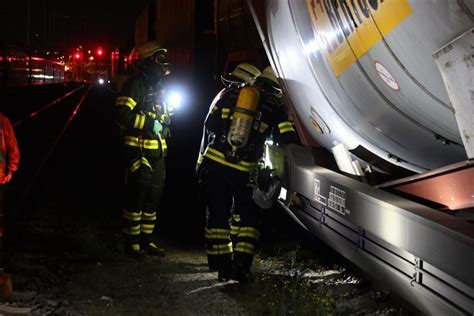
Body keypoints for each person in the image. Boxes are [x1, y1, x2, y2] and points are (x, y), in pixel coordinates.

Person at [196, 65, 298, 282]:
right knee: (249, 219)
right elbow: (287, 138)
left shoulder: (232, 94)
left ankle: (221, 267)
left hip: (215, 163)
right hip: (243, 170)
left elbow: (210, 124)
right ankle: (240, 268)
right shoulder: (276, 106)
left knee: (217, 214)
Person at [113, 41, 172, 258]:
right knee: (137, 197)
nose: (164, 63)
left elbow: (166, 116)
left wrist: (165, 120)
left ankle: (146, 241)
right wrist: (149, 125)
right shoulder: (134, 84)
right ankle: (132, 242)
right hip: (138, 150)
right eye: (160, 58)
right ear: (148, 61)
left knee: (153, 199)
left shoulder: (160, 88)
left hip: (157, 151)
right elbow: (121, 114)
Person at [0, 113, 19, 268]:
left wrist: (11, 169)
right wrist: (11, 169)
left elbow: (12, 148)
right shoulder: (3, 121)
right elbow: (13, 148)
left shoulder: (3, 121)